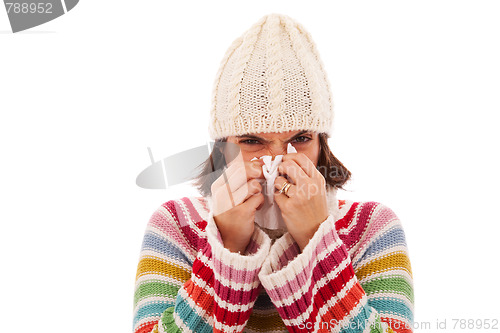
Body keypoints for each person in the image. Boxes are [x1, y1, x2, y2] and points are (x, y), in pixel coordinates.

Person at [132, 13, 414, 333]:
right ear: (223, 147)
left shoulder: (371, 228)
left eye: (300, 139)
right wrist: (226, 246)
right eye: (253, 141)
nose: (278, 160)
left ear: (322, 144)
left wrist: (316, 240)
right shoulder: (176, 225)